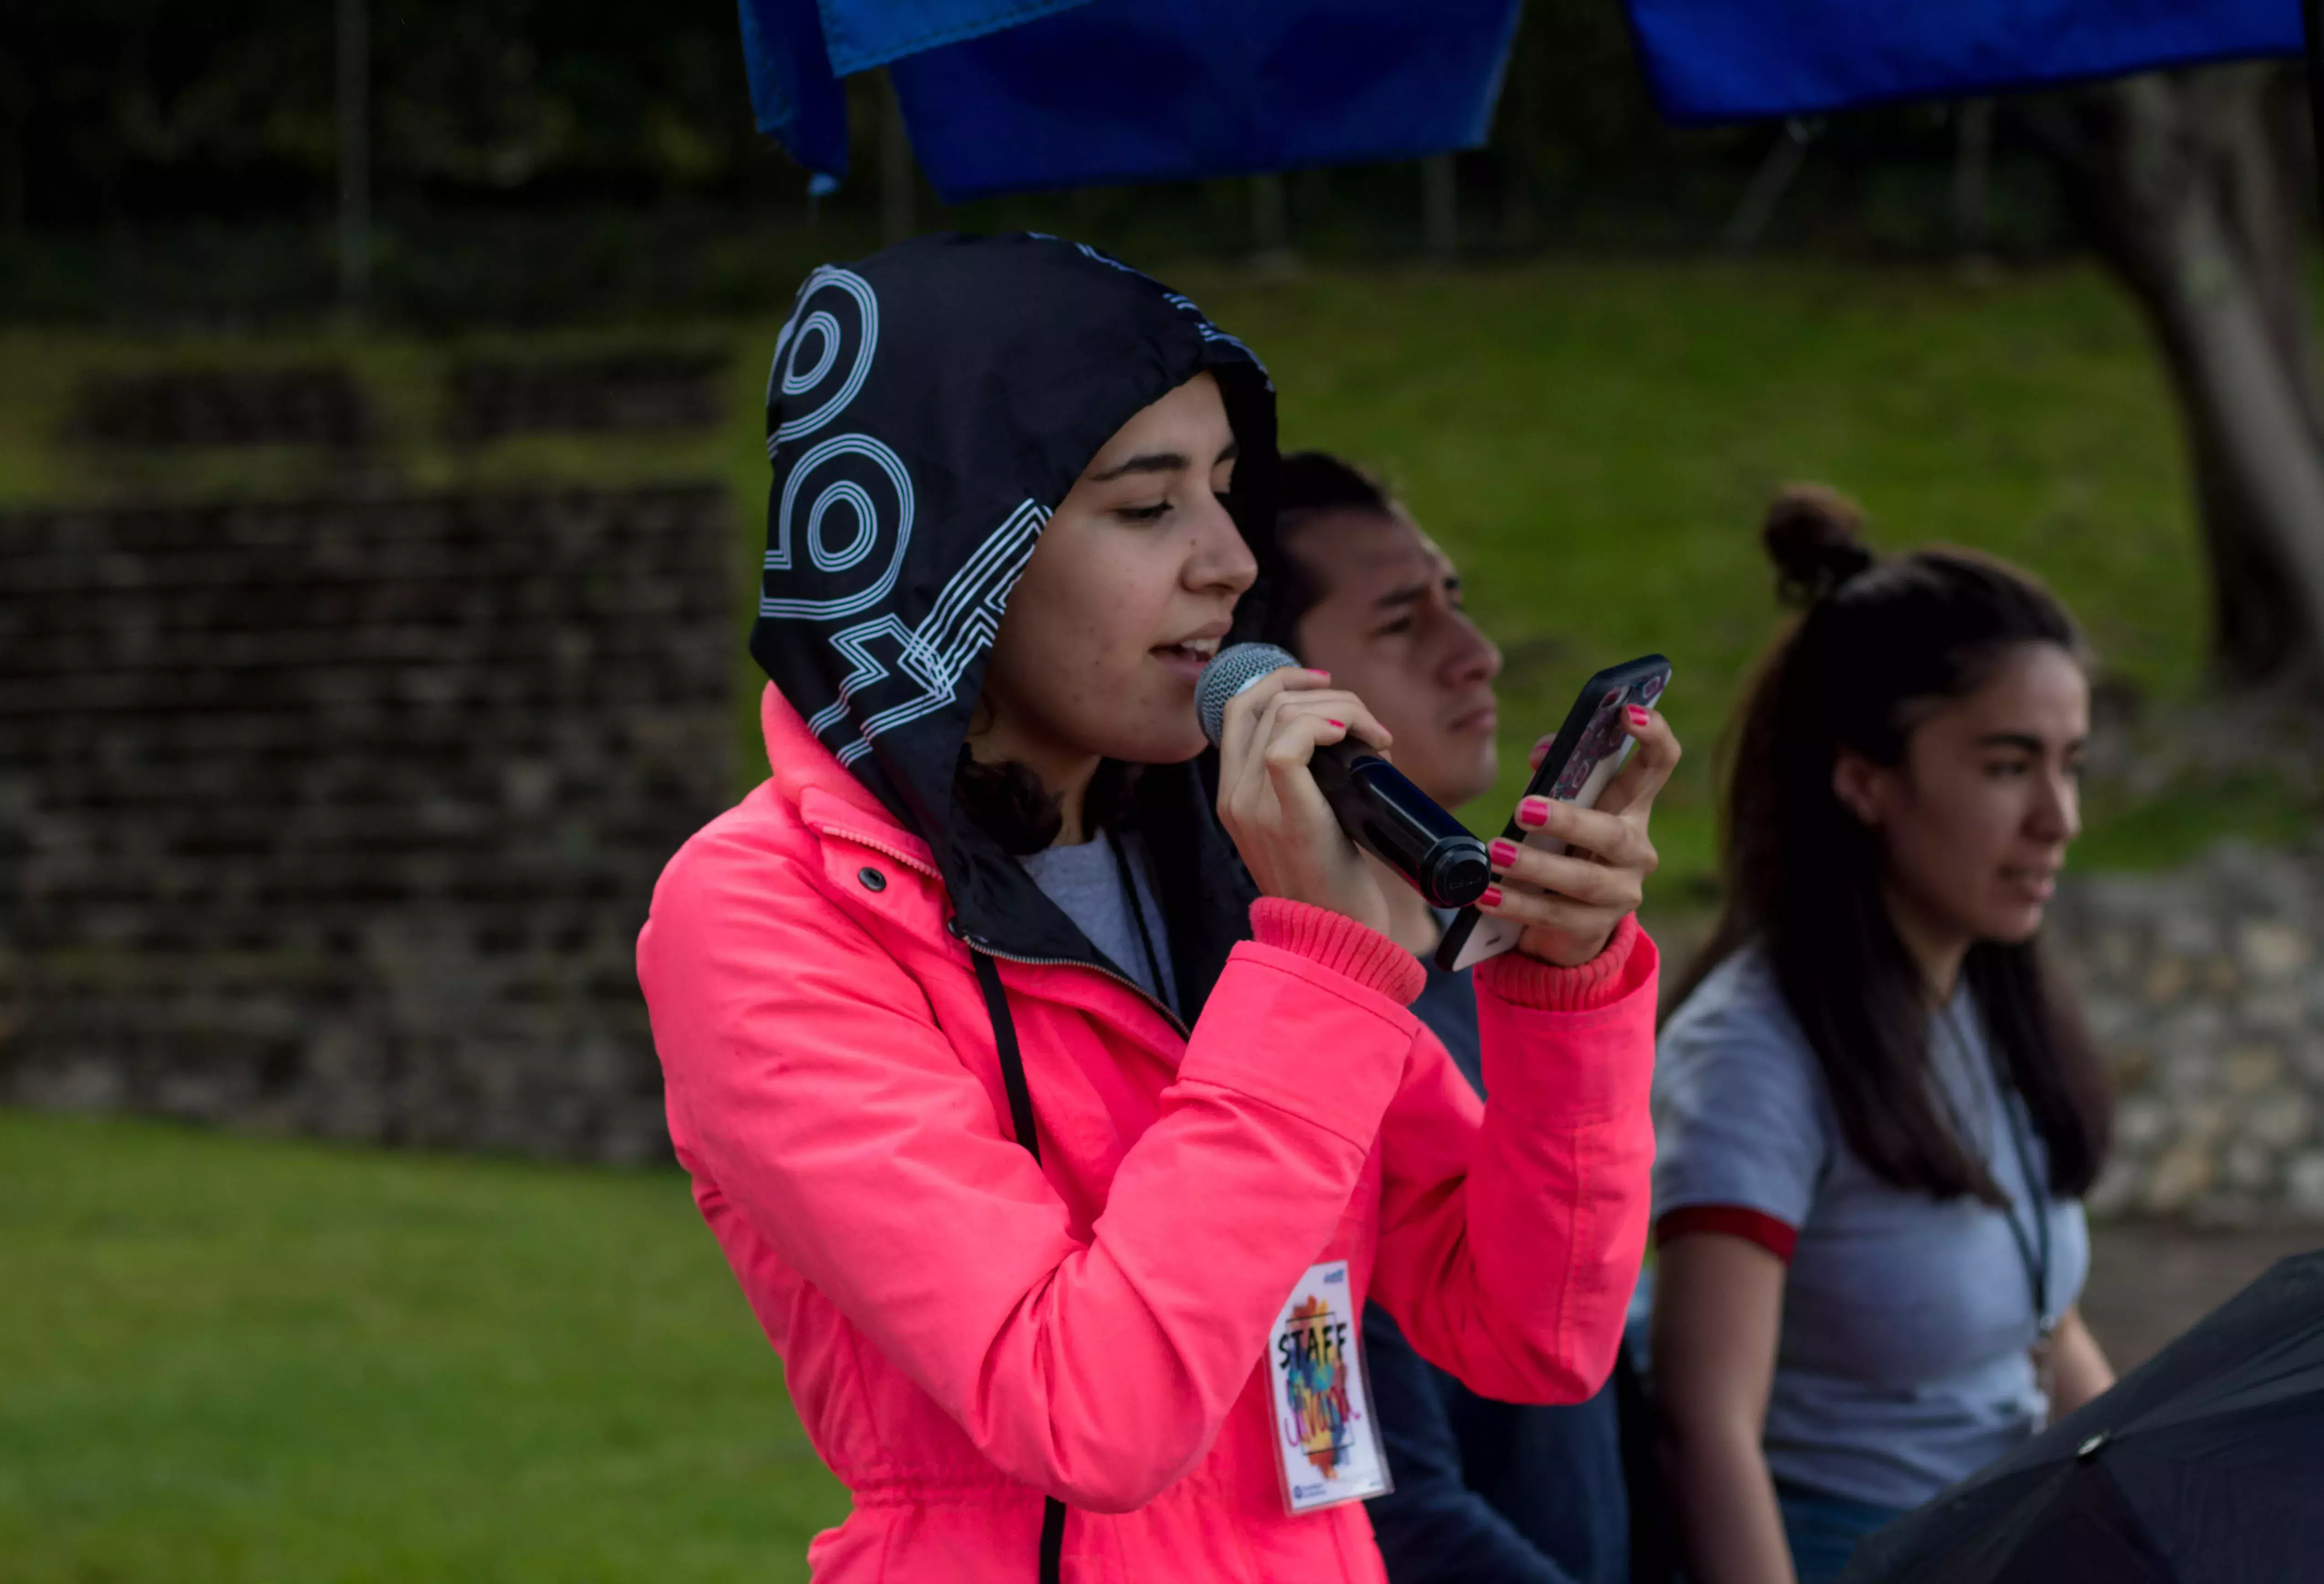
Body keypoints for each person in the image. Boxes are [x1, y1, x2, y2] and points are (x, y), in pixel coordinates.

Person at [636, 233, 1679, 1582]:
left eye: (1227, 492)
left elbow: (1530, 1327)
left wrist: (1564, 984)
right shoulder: (768, 912)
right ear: (964, 550)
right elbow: (1090, 1413)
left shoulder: (1226, 851)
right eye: (1147, 508)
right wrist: (1320, 965)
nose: (1233, 562)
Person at [1648, 486, 2118, 1584]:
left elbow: (2047, 1335)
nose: (2061, 818)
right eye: (2009, 767)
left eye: (2071, 763)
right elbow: (1701, 1428)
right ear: (1864, 780)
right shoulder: (1755, 1056)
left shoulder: (1984, 1000)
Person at [1260, 451, 1640, 1584]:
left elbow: (1592, 1365)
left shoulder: (1500, 987)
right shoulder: (1300, 1036)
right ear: (1280, 692)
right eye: (1400, 620)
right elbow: (1376, 1494)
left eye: (1454, 601)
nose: (1473, 654)